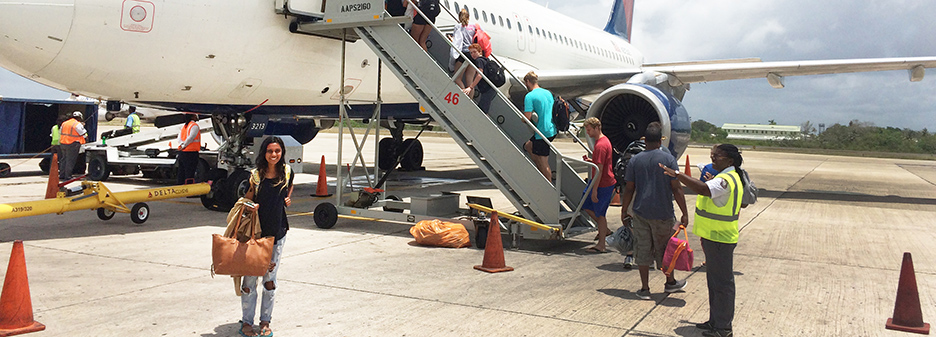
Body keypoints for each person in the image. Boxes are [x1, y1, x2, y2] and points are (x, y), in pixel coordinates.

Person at [660, 144, 745, 337]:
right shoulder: (726, 177)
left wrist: (679, 175)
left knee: (722, 284)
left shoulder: (725, 180)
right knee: (715, 283)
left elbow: (704, 190)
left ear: (730, 160)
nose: (713, 158)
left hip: (720, 239)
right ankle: (715, 321)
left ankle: (723, 328)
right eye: (712, 155)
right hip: (713, 238)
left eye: (717, 156)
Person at [619, 121, 689, 300]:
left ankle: (644, 289)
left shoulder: (635, 160)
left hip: (641, 212)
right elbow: (676, 188)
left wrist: (624, 210)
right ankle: (670, 282)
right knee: (665, 249)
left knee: (642, 250)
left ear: (644, 140)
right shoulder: (668, 159)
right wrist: (684, 212)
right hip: (663, 212)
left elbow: (629, 188)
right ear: (660, 140)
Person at [238, 136, 294, 337]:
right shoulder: (255, 176)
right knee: (249, 281)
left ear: (282, 153)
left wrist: (287, 197)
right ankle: (246, 322)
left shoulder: (287, 172)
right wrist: (252, 207)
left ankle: (265, 321)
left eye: (277, 151)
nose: (274, 155)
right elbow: (246, 200)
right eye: (270, 151)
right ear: (264, 153)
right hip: (256, 236)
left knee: (269, 281)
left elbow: (289, 187)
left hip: (277, 234)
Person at [581, 117, 616, 253]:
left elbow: (600, 170)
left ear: (596, 128)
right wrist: (592, 160)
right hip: (600, 181)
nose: (587, 133)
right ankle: (604, 230)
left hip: (602, 183)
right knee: (586, 204)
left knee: (600, 214)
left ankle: (602, 244)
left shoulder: (600, 145)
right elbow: (601, 164)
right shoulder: (603, 141)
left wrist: (595, 190)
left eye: (589, 130)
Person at [521, 71, 557, 181]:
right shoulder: (548, 93)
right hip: (551, 129)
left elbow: (527, 116)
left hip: (542, 132)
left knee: (543, 162)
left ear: (527, 82)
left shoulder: (530, 96)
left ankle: (548, 184)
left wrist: (522, 118)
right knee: (528, 146)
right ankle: (541, 172)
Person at [461, 44, 496, 114]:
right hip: (491, 89)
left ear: (480, 52)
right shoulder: (486, 59)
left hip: (487, 89)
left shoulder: (479, 61)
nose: (472, 54)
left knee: (482, 112)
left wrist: (470, 87)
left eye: (474, 52)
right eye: (471, 53)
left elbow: (480, 75)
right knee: (484, 110)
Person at [58, 111, 88, 180]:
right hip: (72, 144)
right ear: (79, 117)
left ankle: (62, 175)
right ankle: (68, 176)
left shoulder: (64, 123)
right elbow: (83, 134)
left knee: (63, 160)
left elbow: (61, 132)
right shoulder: (77, 124)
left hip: (63, 143)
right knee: (70, 160)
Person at [176, 113, 200, 185]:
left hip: (183, 152)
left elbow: (179, 138)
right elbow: (191, 137)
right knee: (190, 172)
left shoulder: (184, 126)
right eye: (195, 115)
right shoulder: (194, 126)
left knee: (181, 171)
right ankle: (189, 190)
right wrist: (184, 145)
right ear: (192, 116)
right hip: (191, 152)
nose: (197, 116)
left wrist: (181, 146)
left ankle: (180, 187)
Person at [450, 9, 475, 76]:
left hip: (463, 53)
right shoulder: (474, 26)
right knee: (469, 82)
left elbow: (456, 40)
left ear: (459, 17)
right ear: (468, 17)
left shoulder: (458, 26)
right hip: (473, 53)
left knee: (457, 78)